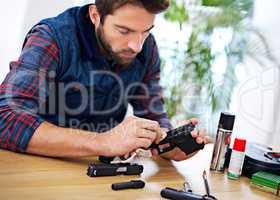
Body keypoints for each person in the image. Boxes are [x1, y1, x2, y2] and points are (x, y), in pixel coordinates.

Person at [0, 0, 209, 161]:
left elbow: (153, 114)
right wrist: (104, 142)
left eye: (145, 32)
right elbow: (6, 119)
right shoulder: (52, 38)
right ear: (95, 15)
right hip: (36, 169)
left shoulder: (147, 47)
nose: (136, 46)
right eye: (124, 31)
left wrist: (167, 144)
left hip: (99, 177)